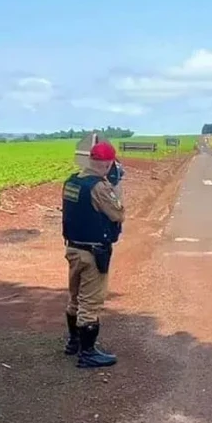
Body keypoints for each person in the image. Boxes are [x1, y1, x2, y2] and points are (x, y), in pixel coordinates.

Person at [61, 140, 125, 368]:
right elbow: (118, 214)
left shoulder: (72, 181)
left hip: (73, 248)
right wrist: (116, 185)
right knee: (91, 302)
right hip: (93, 253)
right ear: (108, 164)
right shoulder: (100, 187)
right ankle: (88, 353)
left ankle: (74, 343)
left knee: (75, 298)